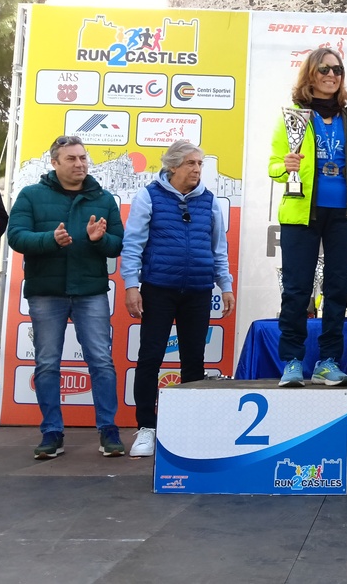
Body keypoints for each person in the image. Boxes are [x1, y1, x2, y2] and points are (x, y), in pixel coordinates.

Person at [7, 135, 125, 459]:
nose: (80, 164)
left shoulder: (103, 198)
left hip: (90, 292)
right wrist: (51, 239)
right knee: (47, 363)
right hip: (47, 293)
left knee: (101, 361)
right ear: (54, 163)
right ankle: (52, 432)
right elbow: (16, 236)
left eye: (83, 158)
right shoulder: (31, 195)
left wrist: (99, 240)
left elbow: (118, 243)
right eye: (71, 158)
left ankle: (109, 430)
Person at [270, 48, 347, 388]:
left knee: (338, 289)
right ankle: (292, 361)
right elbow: (274, 164)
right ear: (310, 74)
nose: (332, 75)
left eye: (338, 70)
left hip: (343, 215)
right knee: (297, 290)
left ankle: (328, 361)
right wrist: (284, 166)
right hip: (301, 213)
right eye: (325, 69)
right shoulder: (293, 116)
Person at [121, 141, 235, 457]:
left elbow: (218, 248)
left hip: (198, 290)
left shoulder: (210, 201)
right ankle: (147, 427)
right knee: (150, 357)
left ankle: (189, 427)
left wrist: (225, 285)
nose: (197, 170)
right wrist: (131, 286)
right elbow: (133, 245)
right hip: (158, 288)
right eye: (190, 163)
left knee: (193, 360)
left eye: (200, 164)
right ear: (172, 166)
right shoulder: (149, 196)